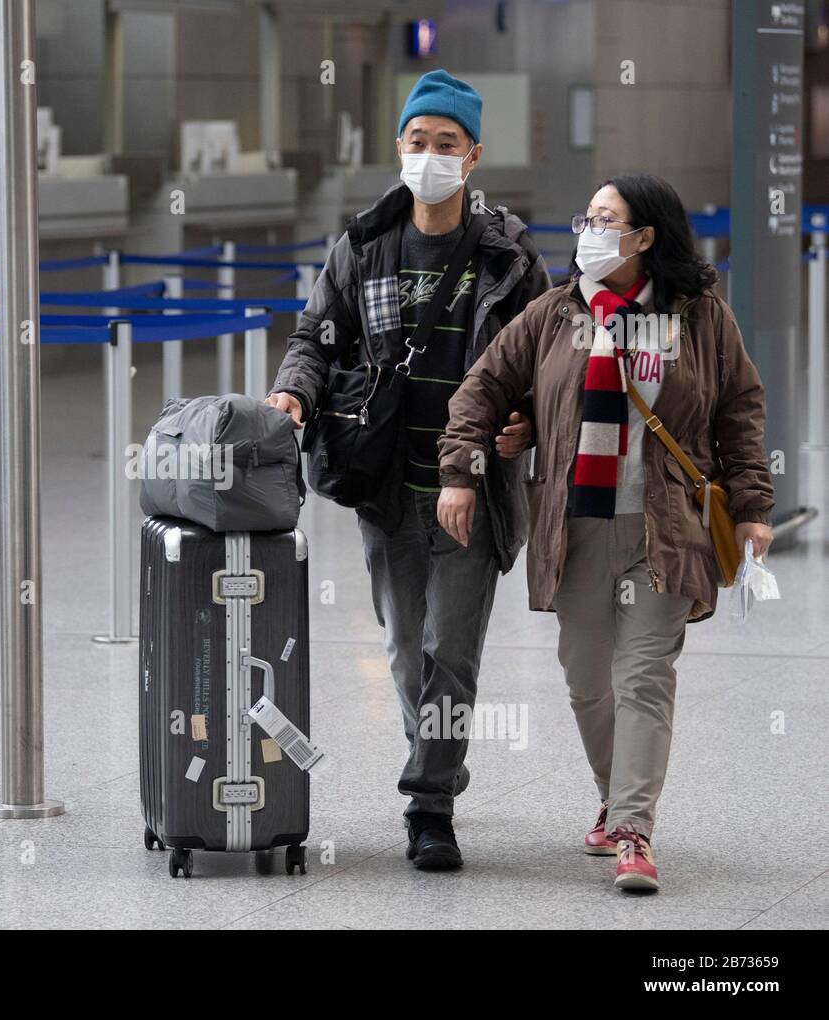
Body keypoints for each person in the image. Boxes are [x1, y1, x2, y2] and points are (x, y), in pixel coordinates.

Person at [437, 173, 775, 892]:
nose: (587, 229)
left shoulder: (700, 318)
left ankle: (632, 831)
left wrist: (752, 506)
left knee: (643, 675)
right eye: (584, 216)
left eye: (604, 219)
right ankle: (614, 793)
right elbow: (482, 387)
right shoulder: (556, 314)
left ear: (644, 237)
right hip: (574, 527)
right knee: (588, 680)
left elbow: (739, 411)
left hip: (664, 528)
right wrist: (461, 471)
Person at [265, 70, 550, 870]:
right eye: (418, 141)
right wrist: (293, 394)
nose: (429, 155)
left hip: (476, 489)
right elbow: (316, 339)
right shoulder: (362, 245)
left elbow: (545, 357)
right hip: (387, 486)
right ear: (400, 147)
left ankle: (430, 805)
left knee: (449, 654)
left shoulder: (507, 256)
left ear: (473, 156)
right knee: (403, 652)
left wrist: (528, 420)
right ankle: (438, 766)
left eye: (446, 144)